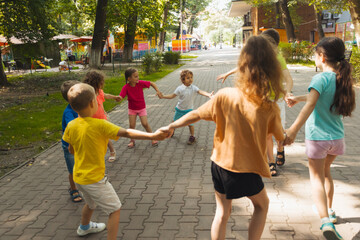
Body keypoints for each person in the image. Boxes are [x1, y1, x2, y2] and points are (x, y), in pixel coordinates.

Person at [160, 35, 285, 240]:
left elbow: (197, 113)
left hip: (218, 165)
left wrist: (171, 125)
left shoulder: (225, 94)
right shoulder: (269, 107)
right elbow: (280, 137)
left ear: (242, 64)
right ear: (272, 68)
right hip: (244, 169)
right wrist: (288, 136)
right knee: (262, 206)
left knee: (222, 213)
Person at [63, 83, 167, 239]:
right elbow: (126, 132)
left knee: (91, 204)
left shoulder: (71, 125)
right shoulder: (100, 125)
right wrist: (152, 136)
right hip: (94, 180)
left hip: (79, 178)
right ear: (93, 103)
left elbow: (71, 150)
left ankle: (84, 227)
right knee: (115, 209)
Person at [284, 37, 355, 240]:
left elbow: (311, 105)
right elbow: (318, 97)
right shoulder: (341, 78)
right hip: (337, 139)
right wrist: (297, 97)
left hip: (318, 140)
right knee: (326, 173)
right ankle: (330, 211)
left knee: (315, 178)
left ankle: (325, 222)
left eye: (315, 55)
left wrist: (293, 130)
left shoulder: (319, 79)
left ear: (322, 57)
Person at [216, 28, 293, 176]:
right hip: (262, 99)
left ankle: (281, 149)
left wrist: (288, 91)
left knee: (279, 132)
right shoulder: (259, 56)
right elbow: (244, 65)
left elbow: (288, 78)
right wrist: (227, 73)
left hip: (277, 100)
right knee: (267, 133)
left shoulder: (278, 59)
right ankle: (270, 162)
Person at [159, 69, 214, 144]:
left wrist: (208, 94)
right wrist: (163, 96)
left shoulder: (193, 87)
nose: (190, 79)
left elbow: (200, 91)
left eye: (191, 77)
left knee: (190, 124)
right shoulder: (180, 88)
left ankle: (192, 137)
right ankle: (171, 131)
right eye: (188, 78)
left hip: (189, 110)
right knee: (175, 122)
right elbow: (172, 96)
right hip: (179, 109)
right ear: (183, 80)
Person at [117, 68, 162, 148]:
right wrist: (118, 98)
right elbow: (121, 96)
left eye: (138, 76)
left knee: (145, 123)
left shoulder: (140, 83)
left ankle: (153, 138)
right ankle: (132, 141)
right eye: (135, 76)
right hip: (132, 109)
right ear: (129, 79)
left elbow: (151, 83)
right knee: (132, 126)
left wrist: (157, 91)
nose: (138, 78)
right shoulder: (126, 87)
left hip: (141, 108)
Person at [82, 70, 121, 162]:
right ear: (96, 82)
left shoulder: (99, 92)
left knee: (104, 137)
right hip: (90, 119)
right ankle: (95, 154)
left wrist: (115, 97)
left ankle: (112, 151)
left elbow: (106, 95)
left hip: (101, 118)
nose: (102, 84)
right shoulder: (87, 93)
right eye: (101, 82)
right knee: (93, 137)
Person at [61, 80, 82, 203]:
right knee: (72, 169)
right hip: (69, 145)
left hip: (80, 143)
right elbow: (72, 127)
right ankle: (73, 188)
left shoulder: (81, 107)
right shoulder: (69, 112)